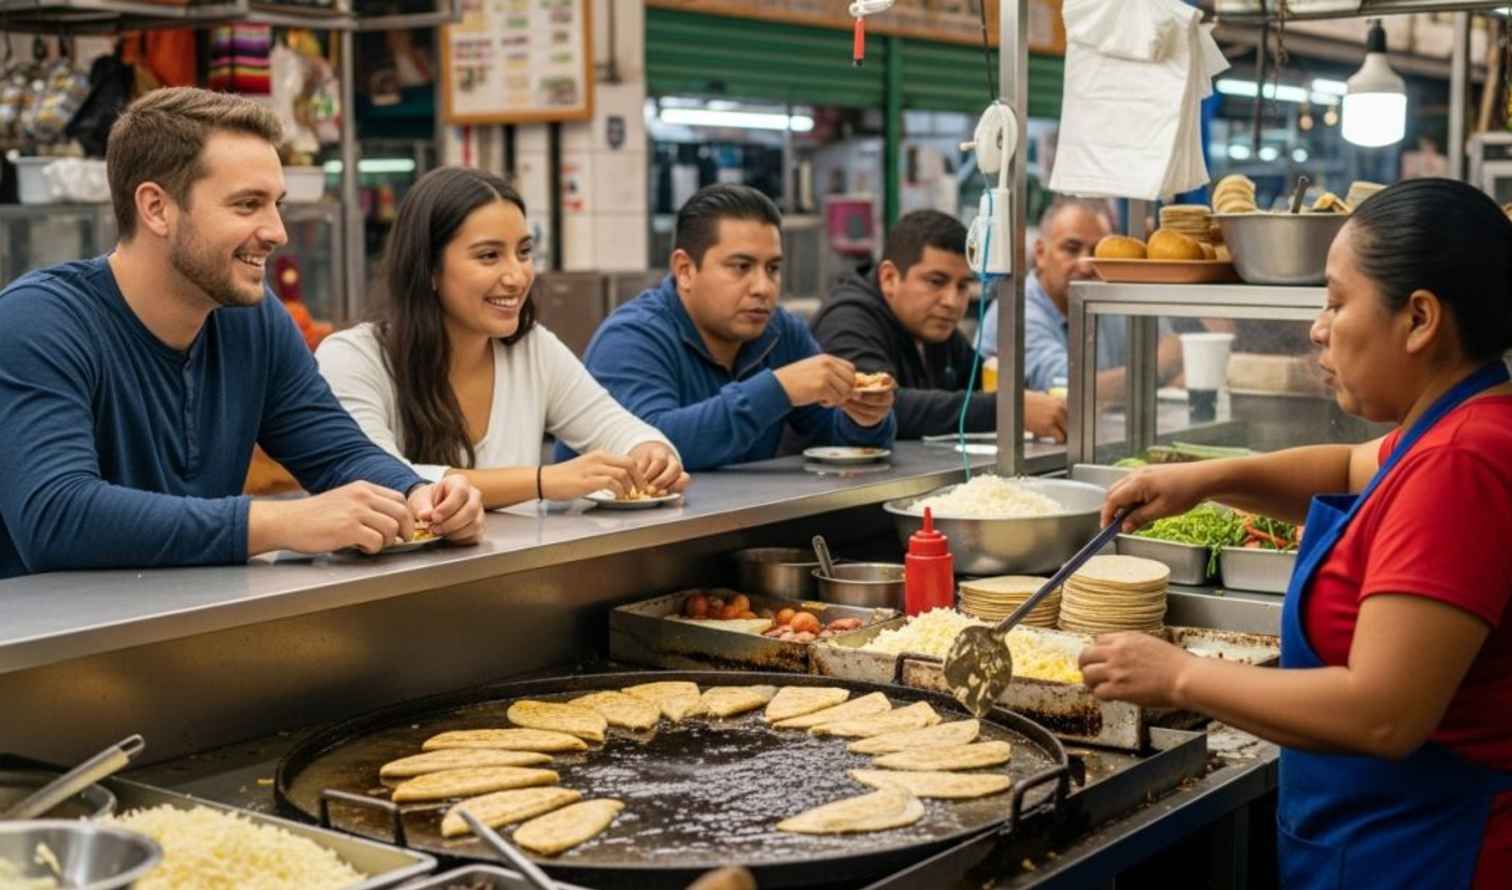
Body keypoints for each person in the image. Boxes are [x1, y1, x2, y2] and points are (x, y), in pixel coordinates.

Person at [1087, 178, 1512, 890]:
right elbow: (1349, 466)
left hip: (1428, 853)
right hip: (1380, 839)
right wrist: (1206, 478)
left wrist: (1180, 675)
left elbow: (1384, 714)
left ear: (1419, 319)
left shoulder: (1462, 463)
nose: (1318, 327)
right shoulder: (1450, 425)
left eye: (1337, 301)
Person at [0, 87, 484, 579]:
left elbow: (336, 451)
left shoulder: (251, 319)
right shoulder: (39, 322)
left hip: (183, 630)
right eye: (248, 204)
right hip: (44, 647)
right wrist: (278, 521)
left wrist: (419, 495)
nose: (278, 231)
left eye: (277, 203)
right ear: (156, 208)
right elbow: (54, 517)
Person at [317, 167, 687, 508]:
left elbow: (618, 428)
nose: (517, 275)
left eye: (524, 252)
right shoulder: (352, 358)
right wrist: (543, 481)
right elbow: (377, 479)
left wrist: (651, 454)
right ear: (429, 268)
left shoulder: (532, 349)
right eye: (489, 256)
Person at [565, 184, 895, 471]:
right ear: (685, 270)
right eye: (741, 267)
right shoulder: (632, 338)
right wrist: (778, 389)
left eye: (773, 268)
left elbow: (834, 437)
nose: (763, 287)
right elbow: (653, 446)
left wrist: (864, 420)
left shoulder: (780, 334)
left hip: (728, 527)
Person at [811, 209, 1067, 442]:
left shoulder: (934, 328)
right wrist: (1008, 409)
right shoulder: (846, 322)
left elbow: (976, 381)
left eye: (963, 285)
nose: (952, 301)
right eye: (936, 281)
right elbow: (881, 406)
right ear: (889, 278)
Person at [980, 197, 1181, 400]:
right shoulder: (1014, 314)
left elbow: (1172, 349)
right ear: (1040, 253)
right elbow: (1073, 392)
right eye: (1071, 249)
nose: (1086, 266)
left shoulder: (1106, 299)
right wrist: (1156, 369)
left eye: (1096, 252)